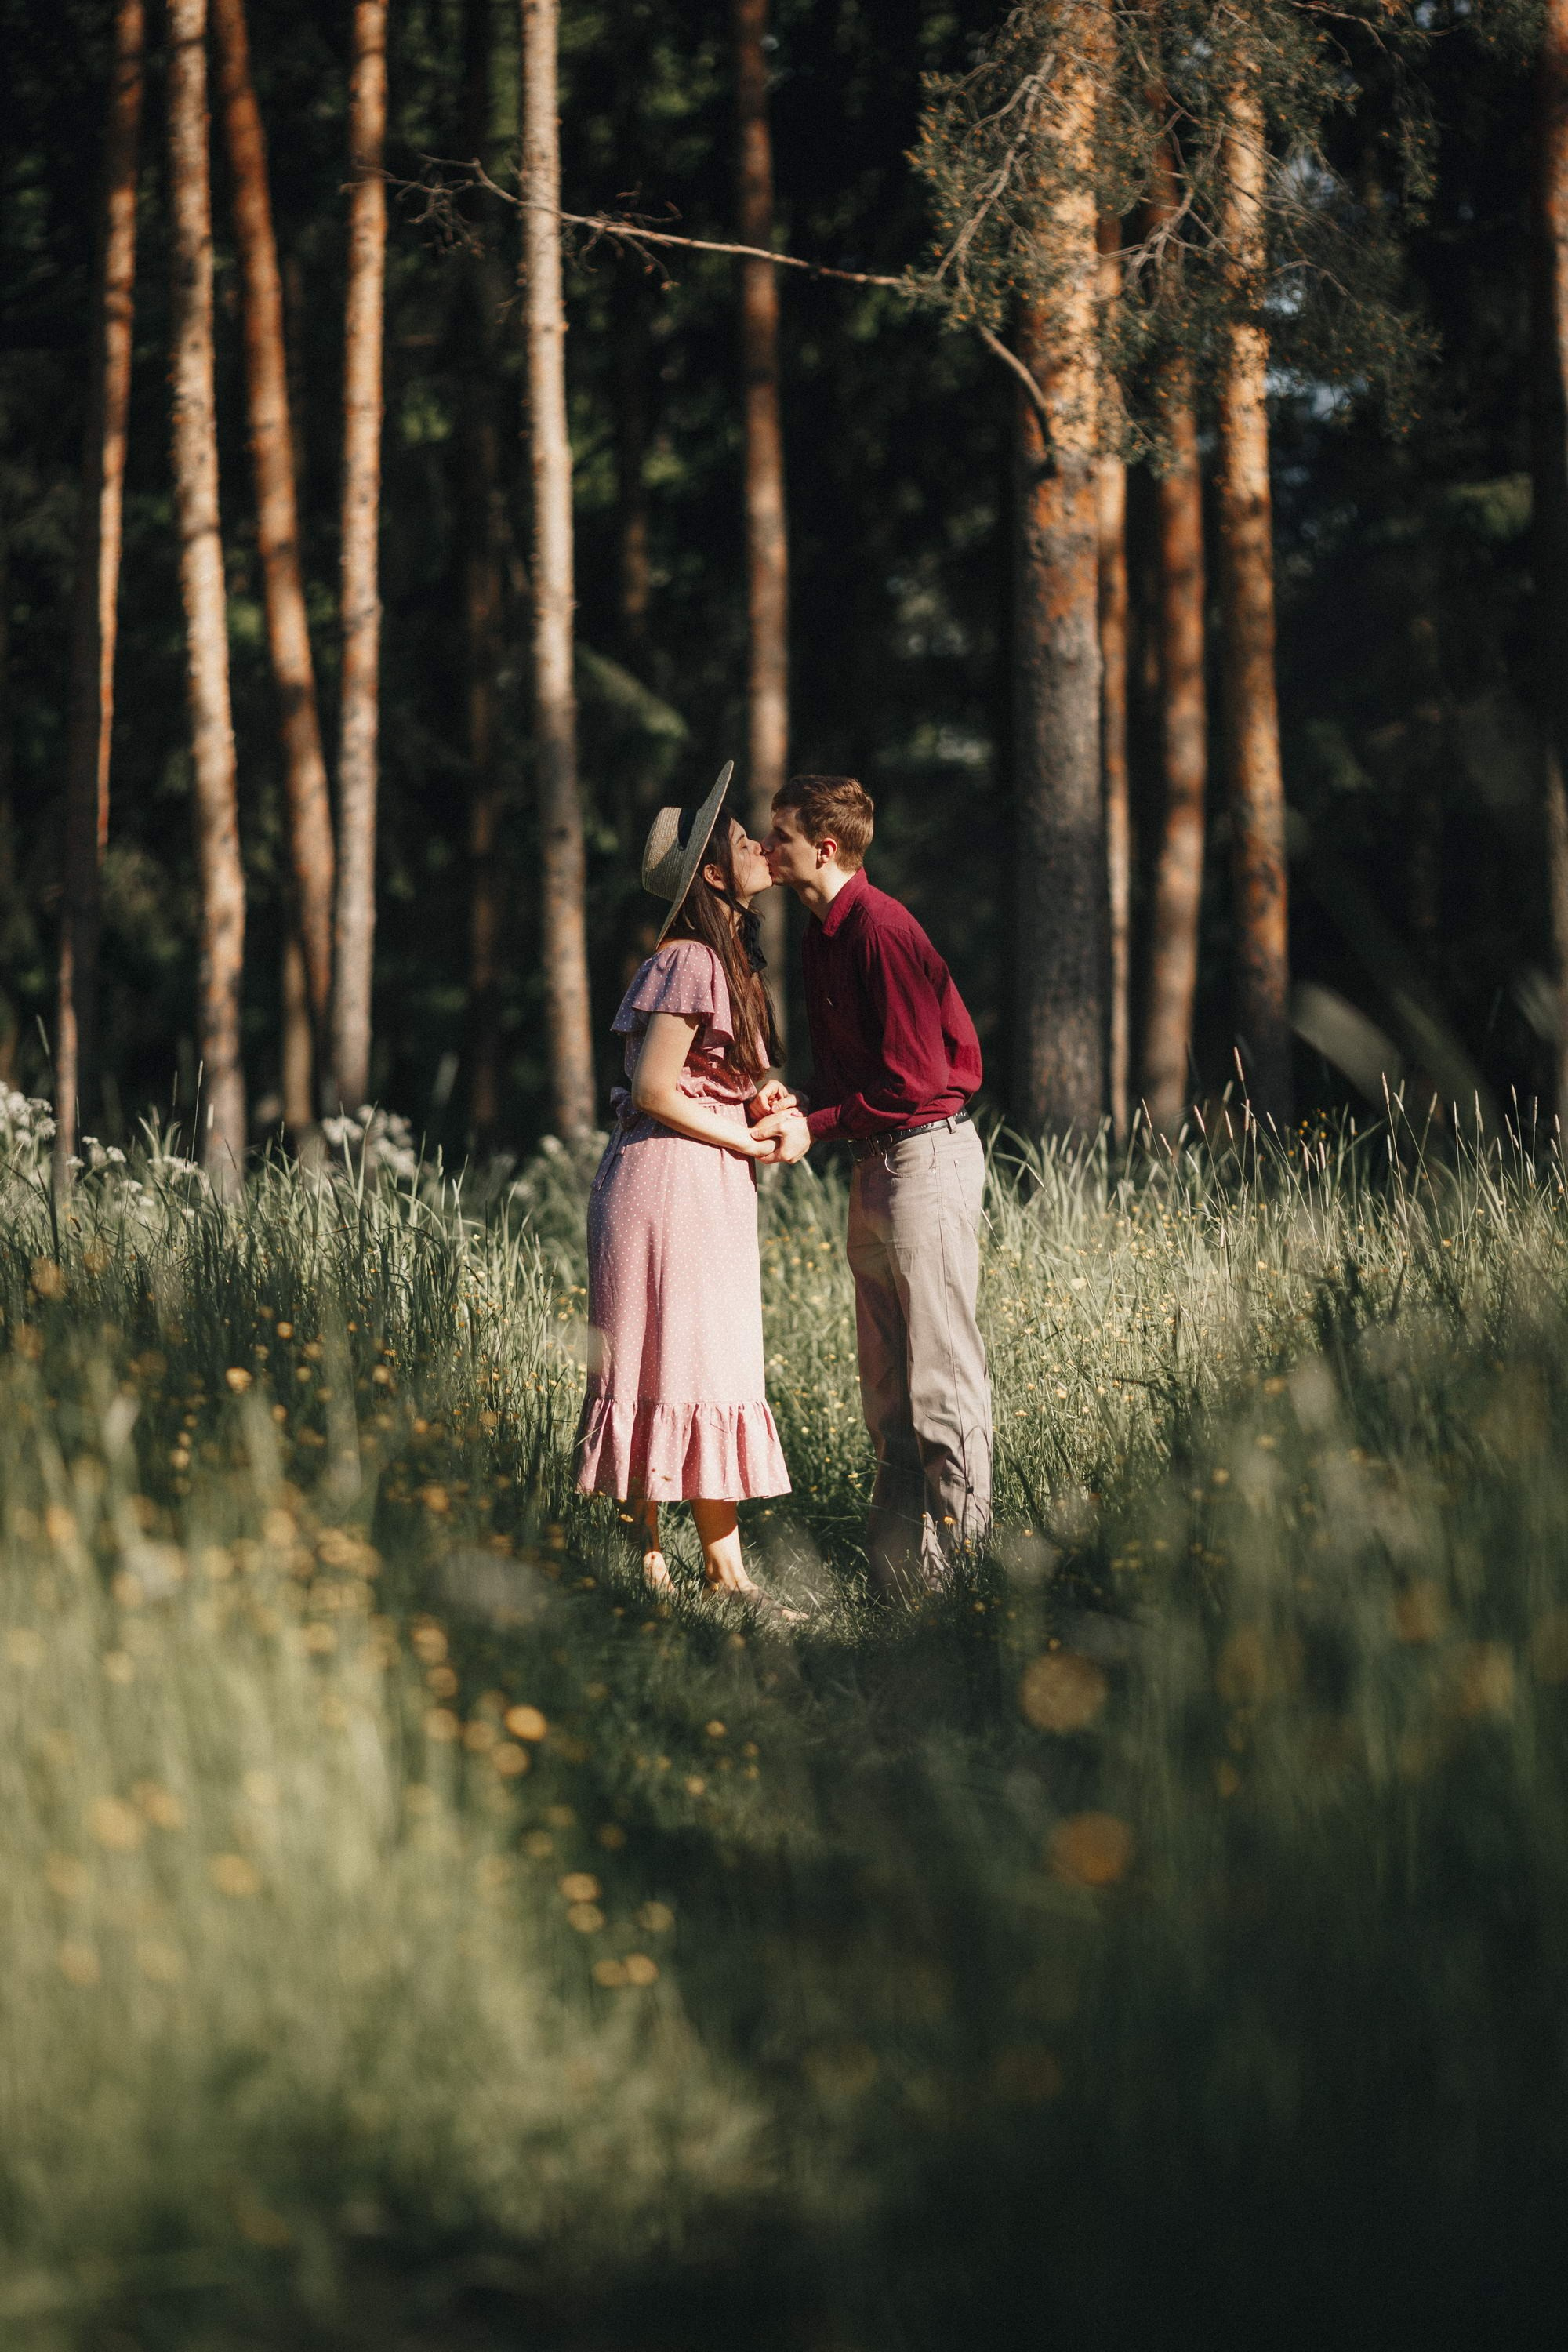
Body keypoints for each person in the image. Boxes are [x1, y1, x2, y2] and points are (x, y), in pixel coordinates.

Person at [753, 775, 992, 1599]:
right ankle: (897, 1593)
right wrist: (802, 1106)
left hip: (925, 1161)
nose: (764, 850)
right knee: (887, 1392)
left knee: (940, 1384)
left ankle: (969, 1584)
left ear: (821, 848)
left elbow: (915, 1078)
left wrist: (812, 1128)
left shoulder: (879, 930)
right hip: (876, 1166)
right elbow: (858, 1077)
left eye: (776, 837)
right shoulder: (825, 935)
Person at [575, 762, 797, 1605]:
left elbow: (715, 1078)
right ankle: (663, 1562)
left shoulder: (726, 961)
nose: (759, 848)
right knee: (664, 1362)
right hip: (667, 1184)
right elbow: (657, 1088)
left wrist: (765, 1098)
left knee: (699, 1363)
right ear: (711, 874)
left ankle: (709, 1563)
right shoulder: (692, 958)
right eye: (743, 842)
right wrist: (742, 1132)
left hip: (698, 1181)